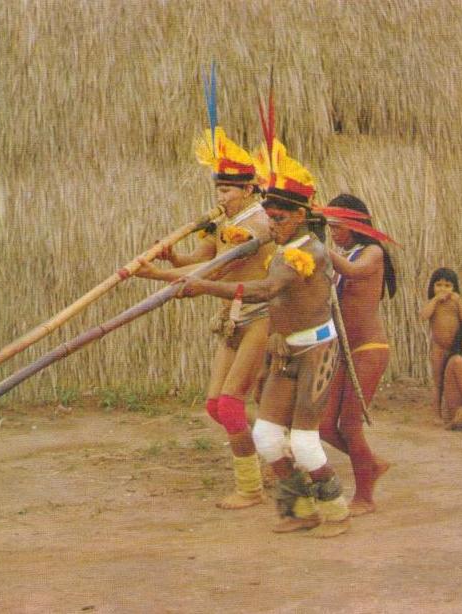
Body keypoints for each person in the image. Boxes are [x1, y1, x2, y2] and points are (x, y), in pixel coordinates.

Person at [177, 137, 350, 537]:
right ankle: (300, 509)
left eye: (280, 219)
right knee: (268, 438)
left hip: (316, 352)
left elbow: (263, 290)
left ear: (302, 217)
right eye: (270, 218)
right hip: (286, 350)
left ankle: (336, 512)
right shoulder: (284, 245)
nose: (272, 226)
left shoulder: (305, 253)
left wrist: (204, 287)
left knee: (305, 443)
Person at [136, 125, 274, 509]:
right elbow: (199, 260)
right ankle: (271, 459)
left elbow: (213, 272)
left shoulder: (258, 225)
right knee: (215, 405)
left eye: (228, 191)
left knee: (231, 403)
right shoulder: (224, 222)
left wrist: (157, 275)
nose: (221, 197)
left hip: (261, 315)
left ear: (248, 189)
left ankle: (251, 489)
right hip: (231, 317)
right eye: (218, 191)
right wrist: (174, 260)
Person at [318, 193, 395, 516]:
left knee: (349, 425)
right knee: (324, 426)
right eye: (329, 228)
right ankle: (370, 464)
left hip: (369, 348)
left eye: (337, 227)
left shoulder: (372, 253)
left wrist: (317, 249)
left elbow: (353, 271)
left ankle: (365, 496)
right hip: (344, 349)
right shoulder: (340, 253)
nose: (333, 233)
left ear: (353, 225)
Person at [420, 268, 462, 423]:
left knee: (452, 381)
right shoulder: (433, 304)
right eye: (438, 285)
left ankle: (452, 411)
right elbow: (423, 316)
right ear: (432, 287)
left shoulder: (455, 302)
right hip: (438, 347)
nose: (442, 289)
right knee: (437, 382)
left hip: (455, 348)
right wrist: (434, 300)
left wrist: (458, 301)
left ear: (454, 288)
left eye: (447, 286)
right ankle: (436, 413)